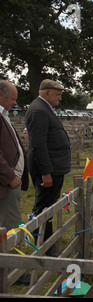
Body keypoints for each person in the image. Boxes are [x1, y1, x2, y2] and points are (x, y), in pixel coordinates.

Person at [25, 79, 71, 257]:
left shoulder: (43, 108)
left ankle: (45, 238)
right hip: (48, 168)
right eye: (57, 95)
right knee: (44, 207)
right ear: (46, 93)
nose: (59, 98)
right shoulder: (39, 111)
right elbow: (38, 145)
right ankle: (43, 241)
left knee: (49, 205)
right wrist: (46, 172)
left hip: (53, 166)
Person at [0, 80, 29, 231]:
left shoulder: (4, 115)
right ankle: (9, 255)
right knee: (9, 229)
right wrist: (9, 177)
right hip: (5, 182)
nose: (15, 102)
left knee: (11, 225)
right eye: (12, 98)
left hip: (9, 182)